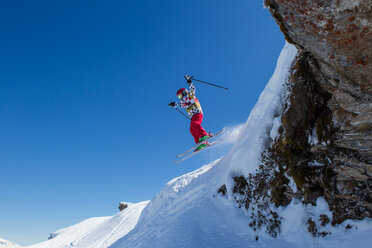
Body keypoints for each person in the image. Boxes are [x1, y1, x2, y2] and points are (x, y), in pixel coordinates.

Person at [169, 75, 210, 151]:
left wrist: (189, 81)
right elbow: (180, 105)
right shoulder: (183, 102)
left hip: (197, 113)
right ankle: (201, 143)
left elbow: (192, 89)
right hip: (193, 116)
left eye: (180, 96)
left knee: (194, 124)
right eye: (178, 97)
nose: (180, 98)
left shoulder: (190, 95)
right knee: (192, 129)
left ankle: (204, 135)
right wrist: (174, 104)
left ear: (184, 93)